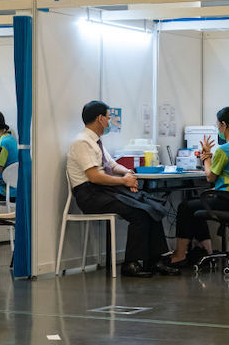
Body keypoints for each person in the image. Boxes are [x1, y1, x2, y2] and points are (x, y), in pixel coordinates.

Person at [67, 101, 179, 278]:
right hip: (90, 195)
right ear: (100, 119)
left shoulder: (96, 142)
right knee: (140, 213)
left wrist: (128, 174)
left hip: (103, 190)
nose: (110, 121)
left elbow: (112, 165)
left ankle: (156, 260)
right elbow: (94, 177)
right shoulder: (82, 143)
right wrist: (123, 183)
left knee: (151, 206)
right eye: (108, 118)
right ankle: (131, 264)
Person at [169, 107, 229, 267]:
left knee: (185, 207)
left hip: (227, 200)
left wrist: (206, 157)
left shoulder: (224, 149)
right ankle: (207, 252)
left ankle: (179, 255)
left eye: (218, 125)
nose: (218, 129)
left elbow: (210, 176)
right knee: (197, 205)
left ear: (224, 125)